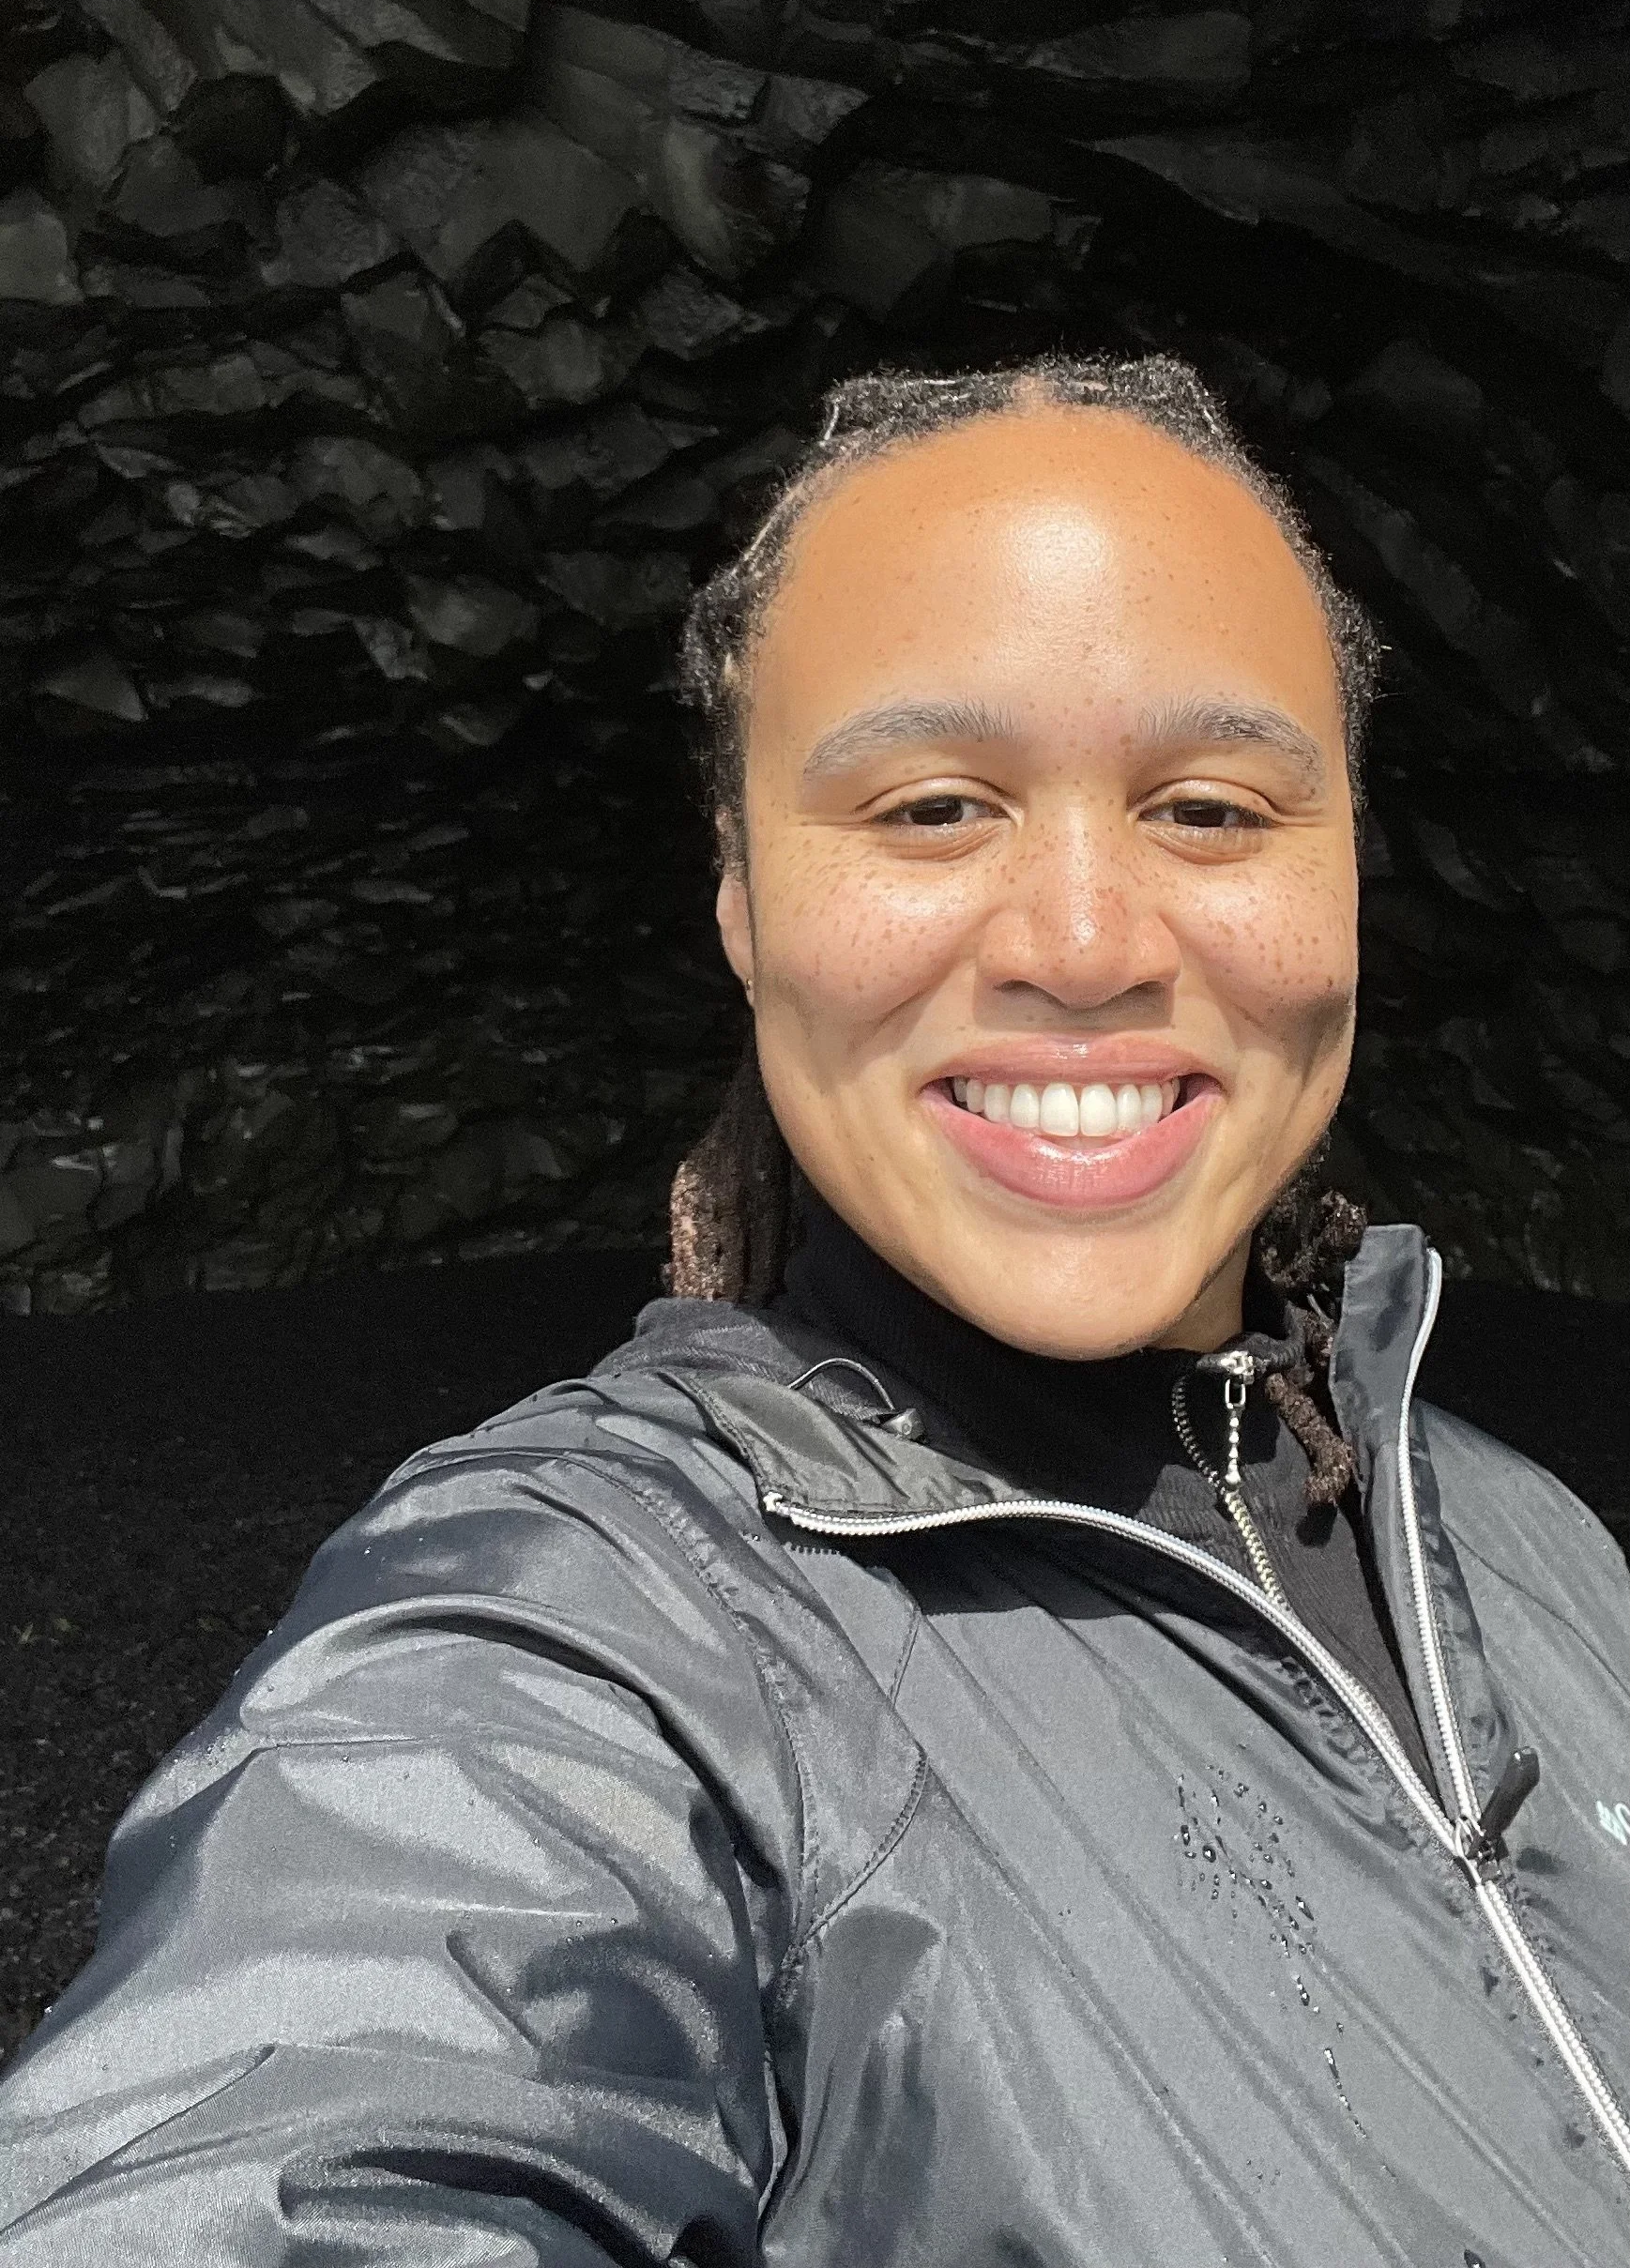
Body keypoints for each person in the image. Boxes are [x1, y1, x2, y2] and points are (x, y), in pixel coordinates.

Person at [2, 352, 1627, 2265]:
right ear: (741, 898)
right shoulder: (589, 1628)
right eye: (934, 805)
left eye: (1206, 805)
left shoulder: (1523, 1535)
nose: (1087, 939)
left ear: (1351, 866)